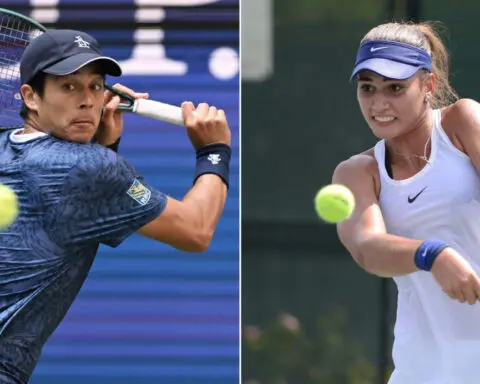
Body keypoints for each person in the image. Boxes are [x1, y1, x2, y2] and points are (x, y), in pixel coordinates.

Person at [0, 28, 232, 383]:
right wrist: (213, 150)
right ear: (30, 97)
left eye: (95, 86)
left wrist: (103, 147)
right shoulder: (90, 168)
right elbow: (195, 230)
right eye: (69, 86)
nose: (87, 101)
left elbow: (70, 207)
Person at [333, 21, 480, 384]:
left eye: (395, 88)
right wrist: (433, 254)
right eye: (368, 88)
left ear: (428, 84)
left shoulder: (463, 121)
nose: (379, 104)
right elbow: (368, 247)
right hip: (423, 373)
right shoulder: (356, 173)